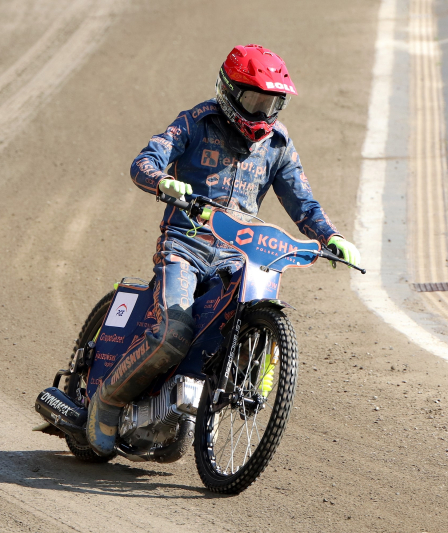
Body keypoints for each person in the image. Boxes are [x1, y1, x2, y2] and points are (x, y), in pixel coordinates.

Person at [86, 44, 360, 457]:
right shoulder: (195, 122)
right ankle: (105, 403)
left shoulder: (279, 145)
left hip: (238, 256)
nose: (262, 111)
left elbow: (303, 202)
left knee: (242, 315)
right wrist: (163, 181)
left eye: (272, 102)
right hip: (185, 245)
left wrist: (330, 236)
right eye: (253, 99)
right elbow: (145, 159)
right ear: (229, 92)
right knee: (173, 331)